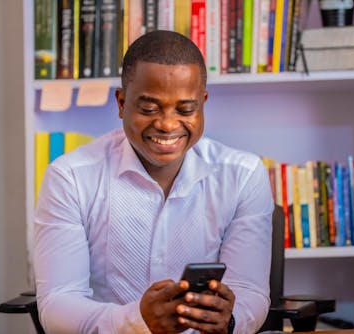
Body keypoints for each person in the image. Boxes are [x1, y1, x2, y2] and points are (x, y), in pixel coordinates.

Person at [33, 30, 274, 334]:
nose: (168, 124)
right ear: (121, 103)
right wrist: (137, 321)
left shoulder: (242, 175)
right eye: (149, 108)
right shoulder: (70, 178)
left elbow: (249, 292)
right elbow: (57, 305)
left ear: (203, 103)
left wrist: (231, 320)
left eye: (185, 109)